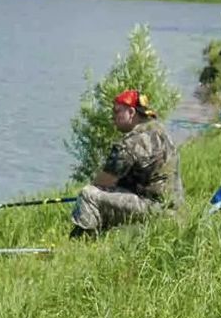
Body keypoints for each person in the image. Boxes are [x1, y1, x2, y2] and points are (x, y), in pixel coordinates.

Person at [70, 90, 184, 237]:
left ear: (131, 112)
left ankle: (82, 241)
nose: (113, 117)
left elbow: (103, 182)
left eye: (117, 112)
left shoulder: (131, 143)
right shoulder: (161, 131)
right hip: (174, 209)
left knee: (88, 194)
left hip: (154, 209)